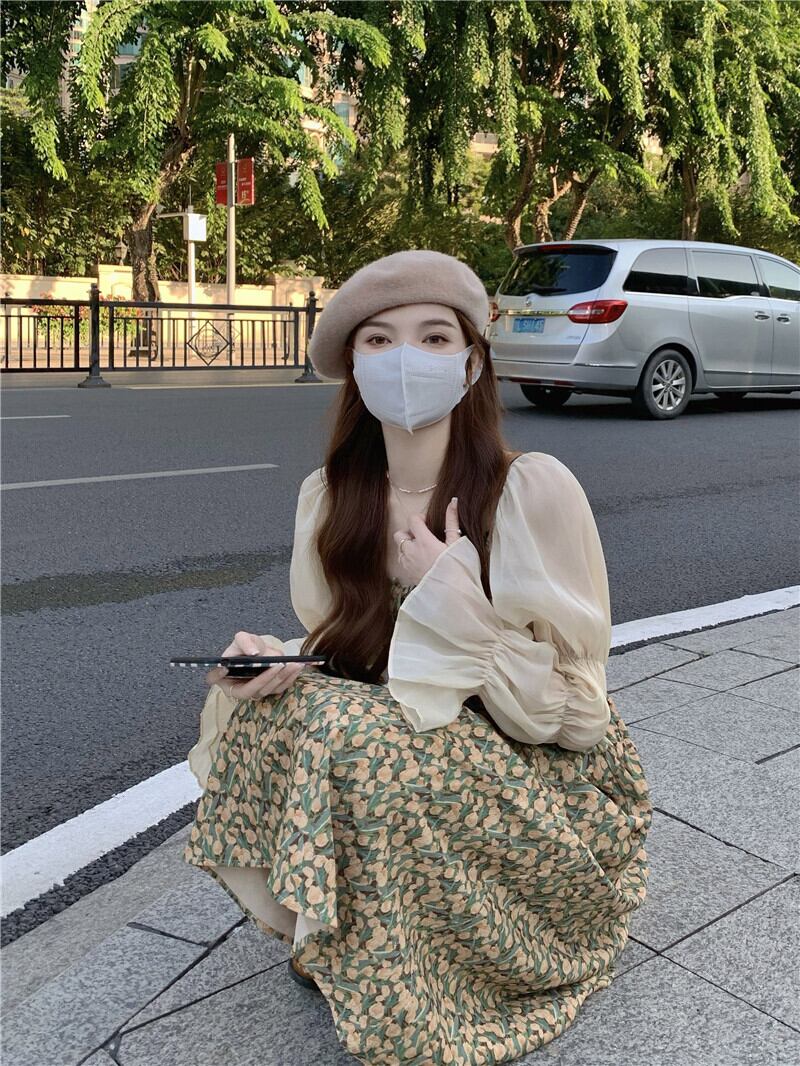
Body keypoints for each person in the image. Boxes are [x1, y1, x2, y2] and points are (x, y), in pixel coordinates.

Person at [182, 249, 652, 1065]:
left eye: (435, 338)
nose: (406, 359)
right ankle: (343, 934)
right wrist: (276, 659)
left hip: (542, 771)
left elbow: (577, 713)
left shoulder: (529, 489)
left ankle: (431, 967)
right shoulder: (332, 498)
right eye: (379, 341)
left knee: (347, 736)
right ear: (354, 370)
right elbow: (354, 656)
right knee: (272, 704)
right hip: (421, 745)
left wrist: (451, 596)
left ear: (472, 365)